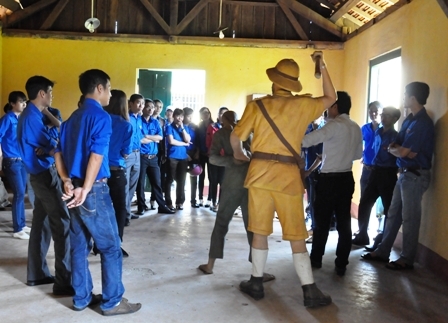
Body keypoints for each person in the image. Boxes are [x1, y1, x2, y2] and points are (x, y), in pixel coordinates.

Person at [230, 53, 335, 307]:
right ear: (293, 84)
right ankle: (309, 290)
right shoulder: (303, 106)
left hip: (259, 176)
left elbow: (236, 138)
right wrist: (322, 65)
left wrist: (241, 155)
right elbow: (332, 98)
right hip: (288, 179)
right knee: (297, 236)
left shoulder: (258, 106)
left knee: (260, 231)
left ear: (274, 81)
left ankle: (255, 282)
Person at [54, 69, 141, 315]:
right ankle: (112, 301)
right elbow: (96, 156)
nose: (111, 94)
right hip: (93, 189)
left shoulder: (71, 119)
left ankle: (81, 298)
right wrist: (87, 188)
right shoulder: (101, 117)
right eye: (110, 88)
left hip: (74, 188)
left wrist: (66, 181)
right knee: (111, 246)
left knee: (79, 246)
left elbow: (57, 152)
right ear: (100, 88)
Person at [362, 82, 434, 270]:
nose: (403, 98)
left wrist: (400, 151)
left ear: (412, 98)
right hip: (403, 174)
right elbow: (398, 148)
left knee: (410, 218)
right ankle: (383, 251)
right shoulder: (409, 121)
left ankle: (407, 258)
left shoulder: (422, 123)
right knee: (393, 214)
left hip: (415, 175)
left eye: (405, 95)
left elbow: (401, 151)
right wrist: (401, 150)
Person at [199, 111, 275, 282]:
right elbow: (212, 158)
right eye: (230, 120)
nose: (233, 123)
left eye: (234, 119)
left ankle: (257, 271)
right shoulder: (223, 134)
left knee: (250, 227)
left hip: (247, 185)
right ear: (223, 120)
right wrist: (232, 160)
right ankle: (212, 265)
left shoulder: (249, 133)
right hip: (237, 185)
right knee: (227, 223)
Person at [17, 75, 72, 295]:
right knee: (62, 222)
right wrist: (52, 145)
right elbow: (55, 142)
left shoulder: (36, 114)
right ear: (42, 93)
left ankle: (37, 273)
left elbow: (53, 139)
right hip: (44, 175)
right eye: (50, 92)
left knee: (42, 224)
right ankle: (63, 281)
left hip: (43, 172)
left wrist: (51, 144)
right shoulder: (31, 117)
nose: (52, 95)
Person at [302, 91, 362, 276]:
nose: (327, 110)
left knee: (322, 222)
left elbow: (306, 141)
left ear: (335, 107)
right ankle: (341, 263)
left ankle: (316, 259)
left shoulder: (334, 126)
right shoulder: (355, 126)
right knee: (344, 222)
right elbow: (357, 155)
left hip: (329, 179)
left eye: (329, 106)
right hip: (346, 178)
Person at [352, 107, 400, 246]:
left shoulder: (395, 136)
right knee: (365, 203)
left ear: (395, 119)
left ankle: (382, 241)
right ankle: (362, 235)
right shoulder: (378, 131)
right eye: (383, 114)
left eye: (388, 115)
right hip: (374, 171)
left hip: (388, 173)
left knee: (387, 208)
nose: (383, 117)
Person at [103, 89, 133, 257]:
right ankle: (116, 243)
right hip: (116, 171)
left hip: (98, 171)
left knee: (102, 209)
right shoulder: (125, 125)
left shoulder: (101, 120)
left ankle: (98, 243)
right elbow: (126, 152)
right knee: (119, 209)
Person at [134, 99, 174, 215]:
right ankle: (141, 206)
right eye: (148, 107)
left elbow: (160, 138)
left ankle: (161, 206)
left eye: (152, 107)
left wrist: (147, 136)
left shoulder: (155, 122)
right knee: (140, 183)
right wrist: (153, 138)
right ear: (143, 108)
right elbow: (140, 140)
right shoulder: (138, 121)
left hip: (153, 157)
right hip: (141, 156)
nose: (151, 109)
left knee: (157, 182)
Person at [0, 91, 30, 239]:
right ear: (12, 103)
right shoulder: (7, 119)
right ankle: (17, 229)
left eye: (25, 101)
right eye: (21, 101)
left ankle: (22, 224)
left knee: (21, 193)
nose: (24, 104)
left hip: (22, 160)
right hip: (11, 161)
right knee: (18, 194)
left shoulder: (21, 119)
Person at [165, 108, 190, 210]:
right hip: (172, 157)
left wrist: (182, 128)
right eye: (177, 116)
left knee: (181, 180)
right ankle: (168, 202)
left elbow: (188, 139)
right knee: (170, 180)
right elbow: (171, 141)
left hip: (183, 157)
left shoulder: (185, 128)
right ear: (173, 116)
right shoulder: (169, 127)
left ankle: (180, 202)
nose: (179, 118)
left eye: (181, 116)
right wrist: (184, 144)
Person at [206, 107, 228, 212]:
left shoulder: (231, 129)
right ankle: (213, 202)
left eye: (225, 114)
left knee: (222, 182)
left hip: (225, 159)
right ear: (218, 115)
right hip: (214, 157)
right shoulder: (212, 127)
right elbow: (208, 142)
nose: (223, 116)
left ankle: (220, 203)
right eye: (221, 114)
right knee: (213, 181)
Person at [126, 94, 144, 222]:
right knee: (125, 184)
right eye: (138, 103)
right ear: (130, 104)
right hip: (128, 154)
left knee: (133, 184)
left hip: (138, 154)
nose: (141, 106)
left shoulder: (139, 119)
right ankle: (124, 213)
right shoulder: (126, 117)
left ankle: (127, 211)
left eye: (142, 104)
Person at [360, 102, 382, 196]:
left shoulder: (384, 129)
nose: (373, 114)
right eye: (371, 111)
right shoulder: (365, 128)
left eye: (376, 111)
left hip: (380, 169)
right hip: (367, 168)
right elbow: (359, 143)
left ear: (381, 112)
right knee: (364, 198)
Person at [150, 99, 166, 209]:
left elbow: (163, 139)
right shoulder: (145, 119)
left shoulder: (163, 121)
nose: (158, 109)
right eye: (156, 106)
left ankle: (153, 198)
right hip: (146, 151)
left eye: (160, 107)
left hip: (159, 152)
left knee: (157, 177)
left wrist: (164, 153)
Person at [183, 107, 200, 208]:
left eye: (192, 116)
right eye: (188, 116)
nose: (190, 118)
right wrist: (185, 154)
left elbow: (198, 141)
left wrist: (197, 152)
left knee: (194, 176)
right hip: (183, 154)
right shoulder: (180, 126)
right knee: (182, 178)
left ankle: (193, 200)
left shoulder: (195, 127)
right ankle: (181, 200)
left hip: (194, 154)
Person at [197, 107, 214, 207]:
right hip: (202, 154)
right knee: (201, 176)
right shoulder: (199, 126)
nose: (205, 115)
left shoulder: (214, 125)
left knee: (211, 177)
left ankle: (210, 199)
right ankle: (200, 198)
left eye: (207, 112)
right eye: (203, 113)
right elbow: (198, 140)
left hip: (212, 155)